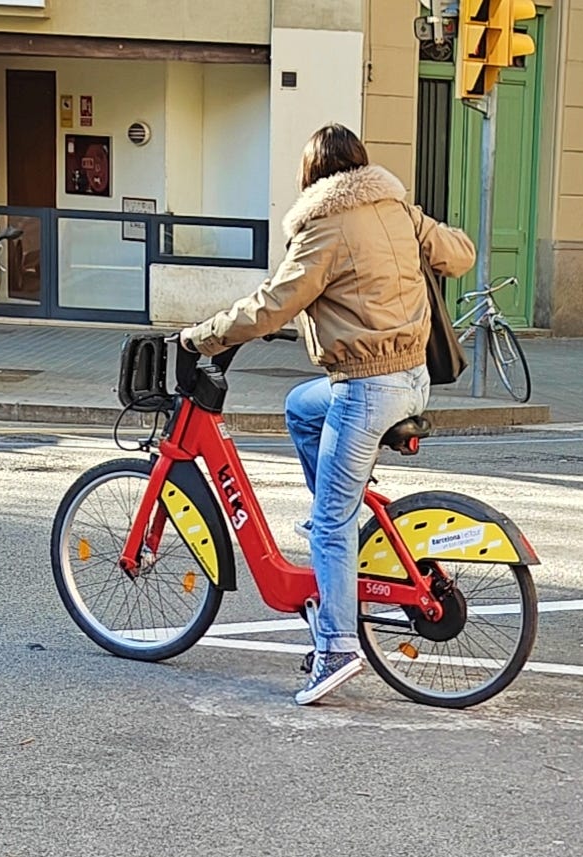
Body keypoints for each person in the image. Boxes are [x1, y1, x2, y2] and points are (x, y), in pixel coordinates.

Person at [178, 126, 473, 706]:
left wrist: (202, 337)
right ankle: (333, 513)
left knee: (334, 524)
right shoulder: (397, 209)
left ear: (311, 175)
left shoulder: (326, 225)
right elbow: (459, 254)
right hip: (413, 379)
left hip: (367, 389)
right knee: (300, 407)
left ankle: (337, 648)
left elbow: (273, 305)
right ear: (361, 165)